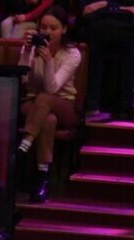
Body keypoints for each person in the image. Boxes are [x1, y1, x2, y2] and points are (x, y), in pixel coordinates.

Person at [17, 5, 80, 203]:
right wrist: (27, 52)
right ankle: (42, 178)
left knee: (46, 99)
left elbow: (53, 89)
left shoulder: (72, 54)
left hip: (64, 104)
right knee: (47, 120)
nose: (47, 33)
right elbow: (21, 79)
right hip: (34, 102)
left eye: (53, 28)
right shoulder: (33, 46)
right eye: (43, 28)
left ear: (64, 29)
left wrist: (49, 61)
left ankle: (24, 145)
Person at [78, 0, 134, 120]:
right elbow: (85, 10)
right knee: (96, 42)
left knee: (129, 44)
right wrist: (119, 8)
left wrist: (105, 4)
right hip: (97, 28)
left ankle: (124, 106)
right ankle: (91, 103)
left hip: (126, 28)